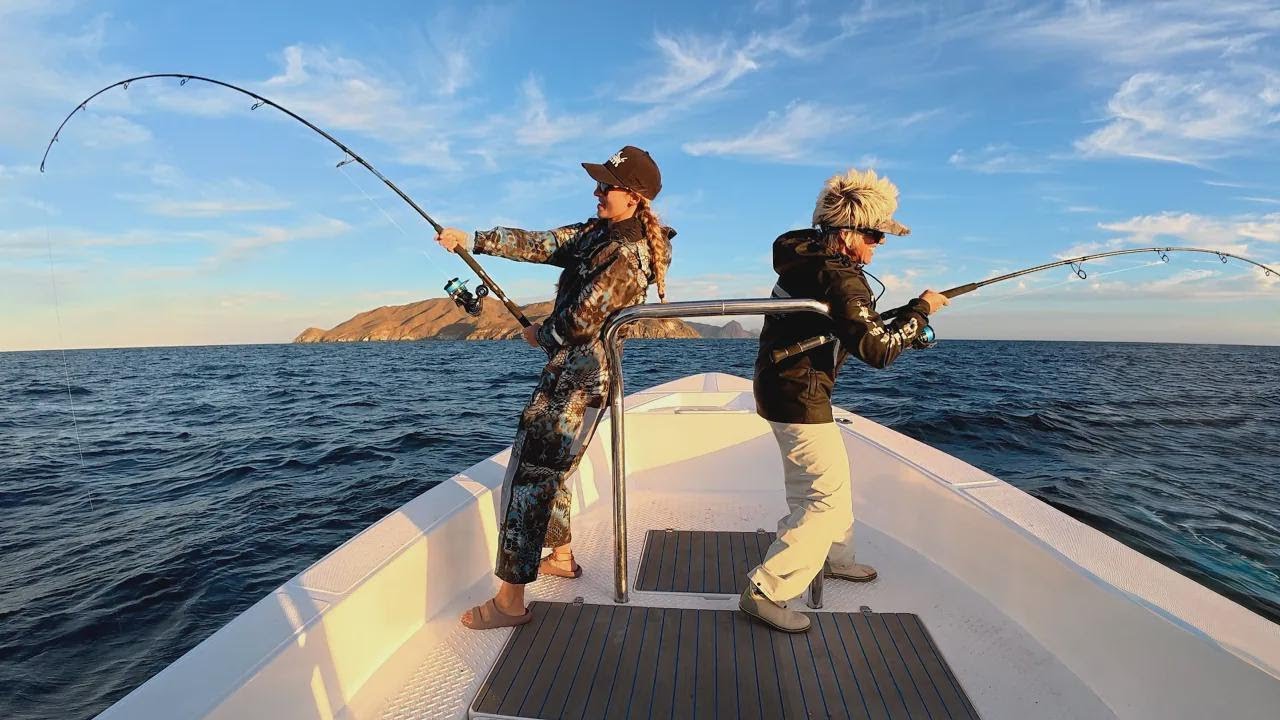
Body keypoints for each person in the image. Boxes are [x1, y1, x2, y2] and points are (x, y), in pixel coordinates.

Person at [436, 146, 673, 630]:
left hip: (579, 385)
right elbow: (543, 242)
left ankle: (509, 603)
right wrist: (472, 239)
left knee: (529, 478)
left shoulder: (627, 256)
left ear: (634, 197)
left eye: (608, 186)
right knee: (555, 473)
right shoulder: (597, 234)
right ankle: (561, 557)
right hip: (579, 379)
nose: (598, 191)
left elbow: (581, 321)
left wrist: (538, 335)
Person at [740, 167, 948, 633]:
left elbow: (851, 327)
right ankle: (767, 590)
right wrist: (920, 311)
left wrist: (891, 318)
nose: (880, 244)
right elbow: (878, 350)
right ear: (847, 232)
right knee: (824, 501)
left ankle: (834, 558)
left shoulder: (803, 259)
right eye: (874, 234)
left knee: (818, 487)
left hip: (779, 385)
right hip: (800, 393)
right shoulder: (840, 279)